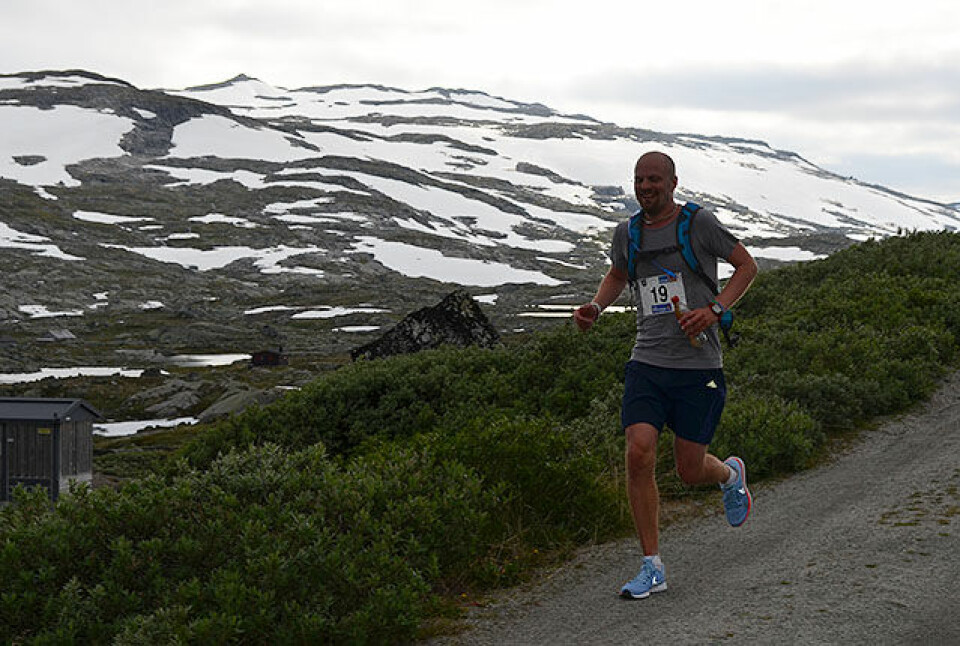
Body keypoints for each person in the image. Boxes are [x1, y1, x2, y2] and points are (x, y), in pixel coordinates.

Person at [574, 151, 758, 600]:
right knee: (638, 453)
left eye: (654, 179)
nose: (645, 187)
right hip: (648, 361)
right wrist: (596, 306)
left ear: (673, 183)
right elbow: (619, 274)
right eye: (639, 179)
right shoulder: (628, 232)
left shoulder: (699, 224)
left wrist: (714, 310)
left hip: (699, 366)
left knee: (690, 470)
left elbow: (747, 267)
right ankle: (651, 566)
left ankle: (729, 475)